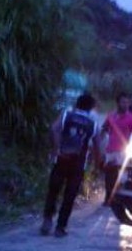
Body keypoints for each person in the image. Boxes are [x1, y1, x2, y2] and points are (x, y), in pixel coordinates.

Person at [41, 93, 101, 237]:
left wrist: (56, 149)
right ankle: (60, 227)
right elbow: (97, 145)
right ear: (91, 108)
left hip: (61, 159)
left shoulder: (66, 115)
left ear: (77, 104)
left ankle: (47, 221)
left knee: (53, 191)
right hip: (78, 164)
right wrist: (97, 163)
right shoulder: (93, 124)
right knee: (70, 195)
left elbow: (54, 129)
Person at [101, 93, 132, 205]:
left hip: (123, 151)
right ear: (118, 103)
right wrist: (101, 144)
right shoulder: (111, 116)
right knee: (108, 175)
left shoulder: (131, 118)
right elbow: (104, 129)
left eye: (127, 102)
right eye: (123, 102)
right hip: (110, 150)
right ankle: (108, 197)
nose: (126, 105)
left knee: (120, 176)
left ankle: (117, 198)